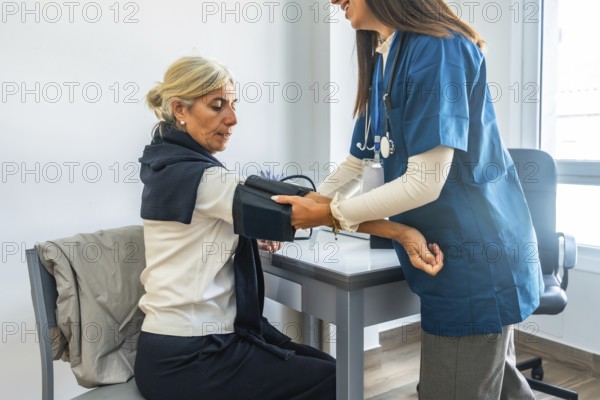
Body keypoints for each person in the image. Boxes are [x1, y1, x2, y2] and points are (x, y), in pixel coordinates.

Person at [272, 1, 544, 399]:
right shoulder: (386, 56)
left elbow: (425, 183)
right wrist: (303, 206)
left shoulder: (438, 48)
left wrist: (329, 214)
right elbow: (358, 160)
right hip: (452, 256)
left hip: (475, 263)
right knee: (495, 385)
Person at [134, 56, 443, 400]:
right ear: (180, 108)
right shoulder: (205, 178)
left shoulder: (164, 163)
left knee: (330, 367)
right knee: (334, 381)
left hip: (168, 350)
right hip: (192, 356)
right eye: (217, 106)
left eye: (233, 105)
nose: (233, 119)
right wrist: (402, 232)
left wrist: (248, 232)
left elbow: (204, 229)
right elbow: (302, 210)